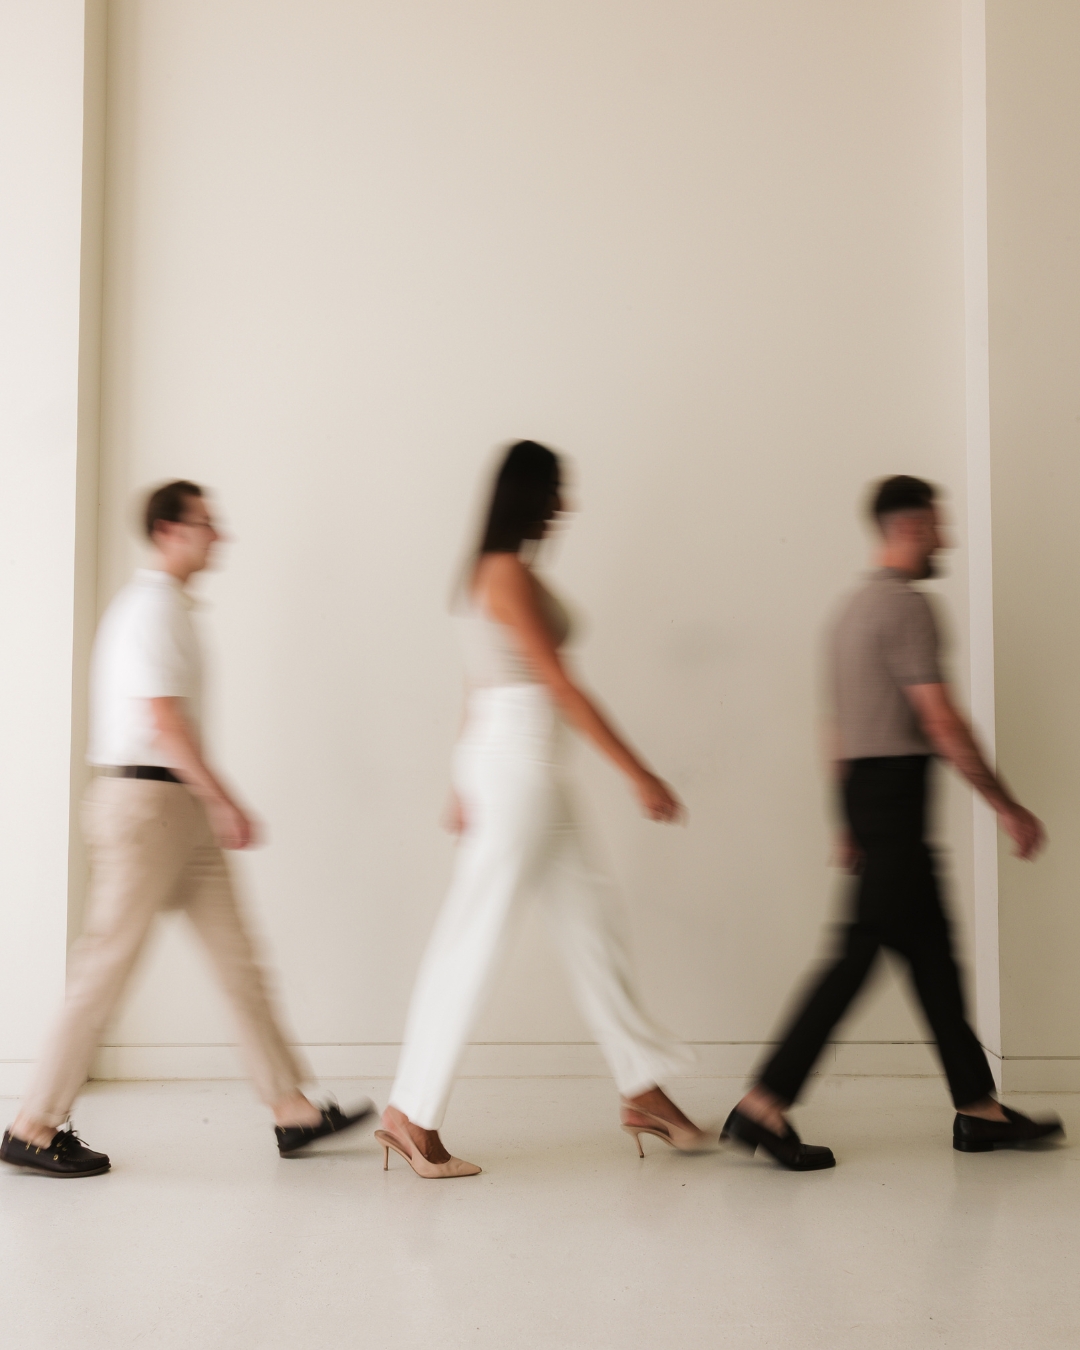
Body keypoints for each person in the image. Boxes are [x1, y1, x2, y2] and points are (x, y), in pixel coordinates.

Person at [1, 481, 371, 1177]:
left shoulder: (169, 607)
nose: (218, 535)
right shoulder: (152, 609)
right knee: (105, 968)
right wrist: (225, 800)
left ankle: (291, 1109)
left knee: (238, 962)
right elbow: (165, 721)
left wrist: (207, 805)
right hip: (147, 807)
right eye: (206, 523)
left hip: (176, 807)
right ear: (169, 530)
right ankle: (33, 1126)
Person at [376, 441, 706, 1178]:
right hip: (517, 766)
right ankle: (410, 1113)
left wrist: (460, 778)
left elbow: (479, 682)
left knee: (592, 924)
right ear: (530, 494)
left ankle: (643, 1090)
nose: (567, 506)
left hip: (521, 767)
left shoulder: (494, 572)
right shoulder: (504, 574)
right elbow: (558, 684)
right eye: (557, 490)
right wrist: (638, 773)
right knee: (472, 937)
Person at [723, 475, 1063, 1170]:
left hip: (869, 797)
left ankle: (979, 1111)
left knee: (933, 956)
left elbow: (836, 727)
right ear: (908, 527)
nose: (948, 539)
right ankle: (763, 1104)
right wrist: (1005, 804)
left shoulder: (849, 611)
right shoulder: (908, 607)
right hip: (897, 797)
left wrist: (845, 819)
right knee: (856, 955)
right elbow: (940, 719)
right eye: (939, 525)